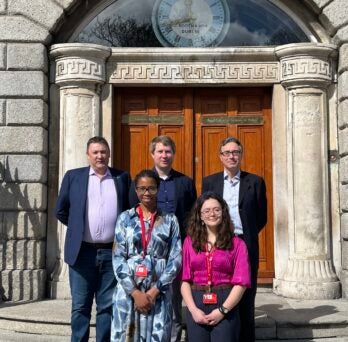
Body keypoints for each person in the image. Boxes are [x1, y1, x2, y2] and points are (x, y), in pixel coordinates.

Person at [55, 136, 130, 342]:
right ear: (88, 155)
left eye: (103, 152)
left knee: (107, 306)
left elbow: (129, 211)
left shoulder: (121, 177)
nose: (100, 156)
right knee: (80, 306)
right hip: (82, 252)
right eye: (95, 152)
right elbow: (60, 210)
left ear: (109, 154)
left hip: (111, 252)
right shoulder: (74, 177)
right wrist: (79, 228)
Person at [129, 135, 197, 342]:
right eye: (160, 151)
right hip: (145, 254)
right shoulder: (141, 183)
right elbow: (132, 215)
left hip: (175, 254)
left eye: (168, 152)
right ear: (152, 154)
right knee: (145, 298)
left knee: (173, 304)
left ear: (173, 154)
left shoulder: (185, 183)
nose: (164, 155)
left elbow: (193, 216)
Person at [202, 136, 267, 342]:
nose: (232, 156)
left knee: (246, 297)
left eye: (236, 152)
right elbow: (204, 212)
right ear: (220, 157)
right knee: (222, 292)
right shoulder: (209, 182)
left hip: (245, 244)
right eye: (227, 153)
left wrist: (244, 235)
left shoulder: (255, 182)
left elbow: (261, 216)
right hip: (218, 244)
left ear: (241, 155)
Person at [111, 169, 182, 341]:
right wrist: (135, 293)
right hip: (129, 290)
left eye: (151, 188)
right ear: (136, 190)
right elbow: (118, 257)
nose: (146, 193)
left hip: (159, 291)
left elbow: (176, 258)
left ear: (158, 189)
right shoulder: (124, 218)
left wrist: (154, 291)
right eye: (142, 189)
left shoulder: (170, 220)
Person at [181, 192, 251, 341]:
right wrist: (193, 310)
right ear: (200, 216)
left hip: (225, 304)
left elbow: (241, 283)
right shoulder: (189, 242)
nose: (212, 214)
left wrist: (222, 311)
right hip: (197, 303)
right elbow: (185, 281)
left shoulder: (237, 244)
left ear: (223, 213)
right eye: (206, 211)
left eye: (216, 210)